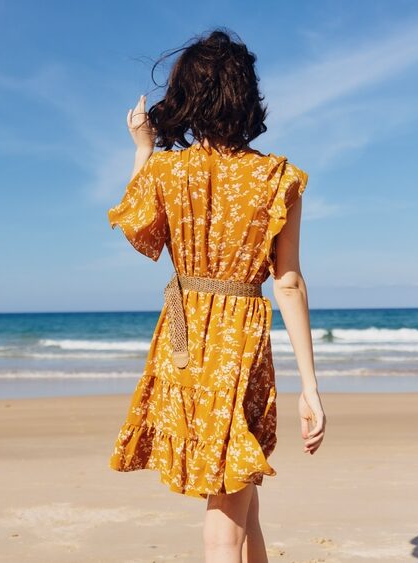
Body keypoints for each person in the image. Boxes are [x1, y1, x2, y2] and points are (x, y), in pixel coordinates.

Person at [106, 28, 326, 563]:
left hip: (183, 345)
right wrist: (311, 387)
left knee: (241, 503)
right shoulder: (277, 177)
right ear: (246, 96)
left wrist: (143, 150)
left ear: (187, 98)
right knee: (227, 512)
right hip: (238, 344)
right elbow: (289, 281)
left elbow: (141, 235)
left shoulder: (167, 169)